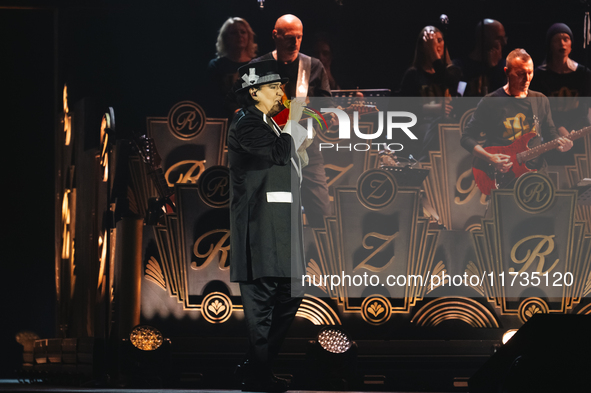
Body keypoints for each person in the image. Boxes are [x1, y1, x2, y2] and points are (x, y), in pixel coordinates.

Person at [228, 59, 307, 392]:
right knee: (262, 301)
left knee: (290, 294)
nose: (281, 92)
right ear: (254, 91)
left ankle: (256, 365)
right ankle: (259, 374)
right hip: (260, 229)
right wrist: (294, 123)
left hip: (280, 227)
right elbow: (277, 155)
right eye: (274, 87)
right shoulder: (246, 124)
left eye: (282, 86)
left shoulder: (268, 122)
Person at [253, 14, 333, 229]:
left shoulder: (313, 66)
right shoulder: (258, 67)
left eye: (299, 37)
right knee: (272, 216)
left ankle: (322, 259)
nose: (295, 42)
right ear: (275, 36)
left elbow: (325, 107)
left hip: (306, 150)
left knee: (322, 214)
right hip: (269, 153)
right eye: (289, 37)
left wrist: (328, 116)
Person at [461, 49, 573, 184]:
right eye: (520, 74)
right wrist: (490, 158)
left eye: (530, 73)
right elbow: (466, 138)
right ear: (507, 72)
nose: (527, 79)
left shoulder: (540, 100)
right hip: (504, 178)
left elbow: (550, 133)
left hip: (536, 176)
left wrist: (560, 145)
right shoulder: (491, 102)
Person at [530, 23, 591, 165]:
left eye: (566, 39)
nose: (562, 44)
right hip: (550, 128)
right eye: (557, 40)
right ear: (550, 44)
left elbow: (584, 108)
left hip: (578, 127)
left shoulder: (583, 74)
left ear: (571, 44)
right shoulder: (539, 75)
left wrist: (572, 131)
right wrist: (559, 128)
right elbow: (540, 110)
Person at [399, 25, 455, 160]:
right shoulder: (413, 75)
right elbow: (401, 108)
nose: (436, 45)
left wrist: (435, 57)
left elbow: (450, 84)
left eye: (440, 40)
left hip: (448, 128)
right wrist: (432, 109)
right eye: (430, 42)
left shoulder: (449, 73)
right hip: (421, 128)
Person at [204, 17, 258, 119]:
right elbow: (211, 98)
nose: (239, 36)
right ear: (225, 38)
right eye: (234, 32)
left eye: (243, 32)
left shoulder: (257, 65)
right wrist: (234, 110)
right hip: (223, 122)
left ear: (249, 36)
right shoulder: (216, 66)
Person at [454, 19, 507, 97]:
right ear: (483, 38)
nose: (504, 43)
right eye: (498, 38)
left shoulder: (504, 66)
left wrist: (494, 69)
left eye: (504, 38)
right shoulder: (460, 66)